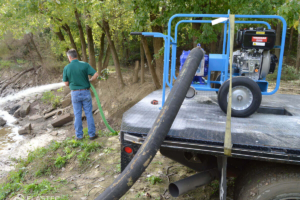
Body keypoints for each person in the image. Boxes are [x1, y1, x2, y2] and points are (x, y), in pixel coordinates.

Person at [63, 49, 99, 140]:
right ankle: (92, 135)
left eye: (68, 57)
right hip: (85, 92)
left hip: (75, 94)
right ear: (76, 56)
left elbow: (66, 84)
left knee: (77, 114)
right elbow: (96, 74)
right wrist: (90, 80)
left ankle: (79, 136)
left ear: (70, 57)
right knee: (88, 114)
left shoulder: (67, 68)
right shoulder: (84, 65)